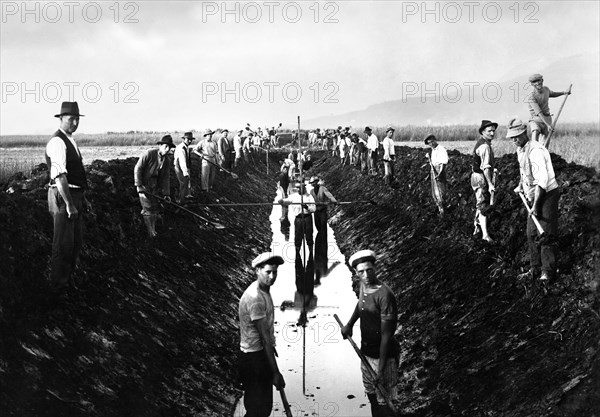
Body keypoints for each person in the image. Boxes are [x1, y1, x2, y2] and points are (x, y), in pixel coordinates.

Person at [341, 250, 398, 417]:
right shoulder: (363, 285)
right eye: (361, 272)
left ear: (375, 267)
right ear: (356, 273)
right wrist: (349, 324)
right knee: (372, 396)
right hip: (366, 353)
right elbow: (361, 305)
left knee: (386, 403)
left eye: (369, 270)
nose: (366, 275)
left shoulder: (385, 295)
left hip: (384, 358)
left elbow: (387, 336)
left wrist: (380, 370)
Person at [507, 118, 560, 281]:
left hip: (547, 194)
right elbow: (524, 172)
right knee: (531, 233)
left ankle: (547, 271)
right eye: (512, 137)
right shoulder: (520, 150)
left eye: (516, 136)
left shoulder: (536, 150)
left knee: (545, 232)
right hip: (533, 194)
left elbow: (542, 180)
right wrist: (520, 186)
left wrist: (536, 205)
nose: (514, 140)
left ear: (524, 133)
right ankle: (534, 269)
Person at [45, 101, 87, 291]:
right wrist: (70, 204)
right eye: (71, 119)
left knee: (74, 244)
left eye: (77, 119)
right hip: (63, 197)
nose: (75, 123)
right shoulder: (57, 141)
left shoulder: (70, 140)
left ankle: (68, 281)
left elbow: (75, 174)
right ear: (61, 119)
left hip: (74, 195)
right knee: (62, 245)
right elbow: (60, 176)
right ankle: (58, 288)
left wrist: (82, 199)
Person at [238, 252, 286, 417]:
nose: (272, 276)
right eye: (268, 272)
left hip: (259, 355)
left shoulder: (263, 289)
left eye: (275, 272)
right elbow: (265, 340)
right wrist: (276, 373)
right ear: (257, 270)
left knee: (262, 409)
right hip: (254, 359)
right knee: (258, 410)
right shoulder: (256, 297)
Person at [134, 135, 175, 238]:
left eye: (169, 147)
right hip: (144, 184)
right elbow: (138, 169)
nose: (167, 149)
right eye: (165, 146)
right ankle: (150, 232)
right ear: (160, 145)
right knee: (147, 208)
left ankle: (153, 229)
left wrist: (166, 193)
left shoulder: (167, 160)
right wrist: (139, 186)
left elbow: (166, 177)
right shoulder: (149, 154)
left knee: (155, 209)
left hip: (155, 185)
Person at [526, 73, 571, 145]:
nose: (537, 83)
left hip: (547, 118)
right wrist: (548, 125)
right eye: (534, 82)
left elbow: (553, 94)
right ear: (532, 84)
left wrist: (564, 92)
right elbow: (539, 112)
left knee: (545, 144)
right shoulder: (532, 97)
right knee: (535, 135)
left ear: (542, 80)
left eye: (539, 81)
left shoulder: (546, 89)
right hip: (536, 120)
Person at [471, 120, 497, 243]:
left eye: (493, 130)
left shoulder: (483, 143)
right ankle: (485, 235)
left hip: (476, 176)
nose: (492, 133)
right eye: (489, 131)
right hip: (481, 178)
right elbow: (486, 168)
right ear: (482, 132)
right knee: (483, 205)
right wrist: (490, 184)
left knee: (480, 202)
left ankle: (476, 227)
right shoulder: (485, 146)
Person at [279, 183, 316, 258]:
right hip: (298, 219)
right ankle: (297, 254)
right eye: (298, 188)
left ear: (304, 188)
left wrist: (307, 207)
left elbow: (314, 209)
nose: (299, 189)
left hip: (307, 218)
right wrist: (281, 201)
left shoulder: (309, 197)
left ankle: (311, 253)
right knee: (298, 235)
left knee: (309, 235)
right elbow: (287, 201)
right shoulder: (294, 196)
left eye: (301, 188)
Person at [425, 134, 448, 215]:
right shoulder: (433, 149)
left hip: (439, 170)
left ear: (435, 140)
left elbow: (443, 163)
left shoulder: (441, 149)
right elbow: (433, 162)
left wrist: (440, 174)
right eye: (429, 143)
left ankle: (442, 210)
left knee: (440, 190)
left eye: (432, 142)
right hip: (433, 169)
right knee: (435, 191)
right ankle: (439, 208)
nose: (431, 144)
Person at [174, 132, 194, 203]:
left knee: (186, 183)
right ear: (184, 139)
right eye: (188, 139)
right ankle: (181, 201)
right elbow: (182, 161)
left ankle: (185, 198)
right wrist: (185, 172)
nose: (189, 141)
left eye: (191, 139)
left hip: (184, 167)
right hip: (179, 167)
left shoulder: (186, 147)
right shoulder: (181, 148)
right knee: (182, 183)